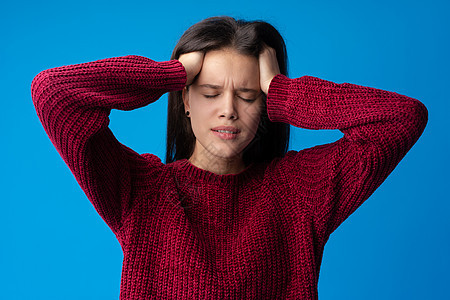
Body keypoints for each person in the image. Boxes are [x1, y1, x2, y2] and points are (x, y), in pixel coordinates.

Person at [31, 16, 427, 299]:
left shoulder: (299, 191)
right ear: (185, 99)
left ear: (266, 104)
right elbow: (54, 94)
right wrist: (170, 73)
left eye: (248, 94)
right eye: (209, 92)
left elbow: (401, 118)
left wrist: (282, 89)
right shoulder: (140, 189)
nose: (228, 110)